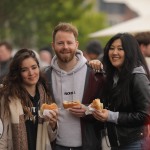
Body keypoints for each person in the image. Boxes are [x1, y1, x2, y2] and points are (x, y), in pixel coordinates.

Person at [44, 22, 104, 150]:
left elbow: (107, 105)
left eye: (69, 43)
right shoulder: (45, 75)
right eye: (60, 43)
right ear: (53, 45)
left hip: (88, 145)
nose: (65, 47)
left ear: (76, 44)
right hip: (56, 145)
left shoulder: (94, 73)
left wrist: (88, 110)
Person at [92, 33, 150, 150]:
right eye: (112, 48)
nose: (114, 53)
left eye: (120, 49)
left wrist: (110, 116)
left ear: (130, 52)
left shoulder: (138, 77)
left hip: (134, 143)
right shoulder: (112, 76)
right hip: (116, 143)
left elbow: (145, 115)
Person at [0, 49, 58, 150]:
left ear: (38, 68)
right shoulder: (8, 97)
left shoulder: (45, 96)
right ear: (18, 73)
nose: (31, 73)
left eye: (34, 67)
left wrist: (53, 125)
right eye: (24, 70)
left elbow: (51, 137)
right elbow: (3, 135)